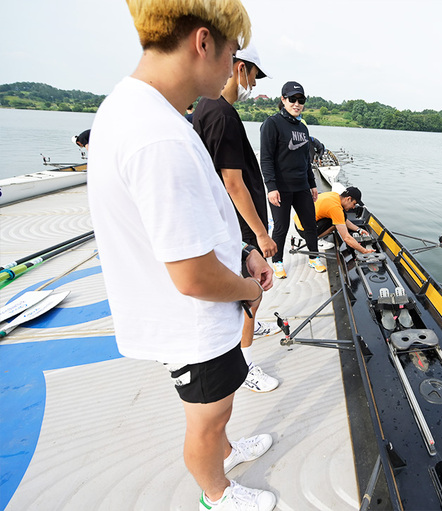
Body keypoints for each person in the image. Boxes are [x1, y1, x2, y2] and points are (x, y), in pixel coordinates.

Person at [86, 2, 276, 510]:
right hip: (189, 321)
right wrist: (250, 290)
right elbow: (192, 277)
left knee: (220, 409)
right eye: (234, 51)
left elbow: (193, 222)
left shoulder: (140, 109)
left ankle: (227, 454)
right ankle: (216, 492)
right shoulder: (158, 136)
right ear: (203, 42)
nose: (234, 64)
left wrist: (240, 251)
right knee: (207, 417)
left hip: (199, 312)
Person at [193, 42, 280, 393]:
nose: (255, 86)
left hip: (225, 221)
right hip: (238, 226)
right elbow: (233, 182)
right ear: (240, 67)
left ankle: (248, 332)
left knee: (248, 297)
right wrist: (261, 235)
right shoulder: (222, 114)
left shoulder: (207, 107)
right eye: (255, 76)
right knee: (250, 294)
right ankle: (243, 365)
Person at [260, 81, 325, 279]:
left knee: (310, 224)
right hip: (281, 187)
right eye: (292, 99)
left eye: (301, 100)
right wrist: (271, 187)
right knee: (281, 227)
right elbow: (266, 158)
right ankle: (277, 262)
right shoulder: (272, 124)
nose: (296, 103)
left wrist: (312, 184)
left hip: (302, 186)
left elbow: (306, 160)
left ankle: (313, 257)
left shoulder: (303, 128)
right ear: (283, 100)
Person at [294, 186, 375, 255]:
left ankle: (316, 235)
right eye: (354, 204)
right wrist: (364, 251)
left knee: (340, 216)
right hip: (304, 231)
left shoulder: (335, 195)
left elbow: (343, 219)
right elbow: (346, 238)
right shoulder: (335, 208)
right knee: (336, 223)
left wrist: (359, 229)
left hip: (298, 222)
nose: (354, 207)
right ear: (348, 199)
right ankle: (317, 240)